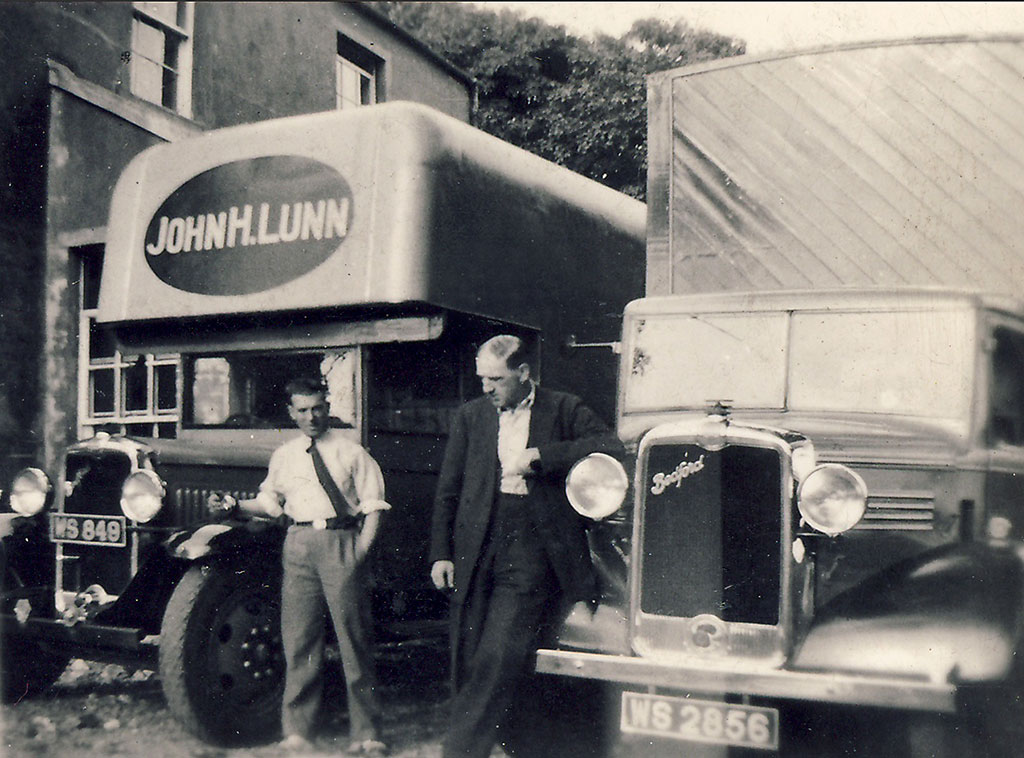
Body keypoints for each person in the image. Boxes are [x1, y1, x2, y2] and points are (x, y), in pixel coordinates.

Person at [429, 335, 623, 758]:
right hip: (476, 543)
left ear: (523, 373)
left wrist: (542, 456)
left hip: (534, 542)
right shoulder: (471, 416)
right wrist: (441, 552)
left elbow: (610, 445)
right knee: (474, 650)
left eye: (495, 379)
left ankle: (460, 751)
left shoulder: (563, 407)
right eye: (482, 378)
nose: (486, 388)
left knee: (498, 654)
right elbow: (449, 489)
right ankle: (520, 744)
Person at [209, 377, 389, 756]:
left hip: (341, 543)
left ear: (327, 407)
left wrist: (358, 555)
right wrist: (234, 507)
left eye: (318, 408)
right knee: (299, 641)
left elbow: (373, 509)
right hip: (298, 545)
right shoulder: (285, 456)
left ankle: (367, 733)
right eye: (303, 410)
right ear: (292, 413)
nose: (312, 416)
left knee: (353, 641)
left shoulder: (351, 451)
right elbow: (270, 503)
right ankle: (298, 732)